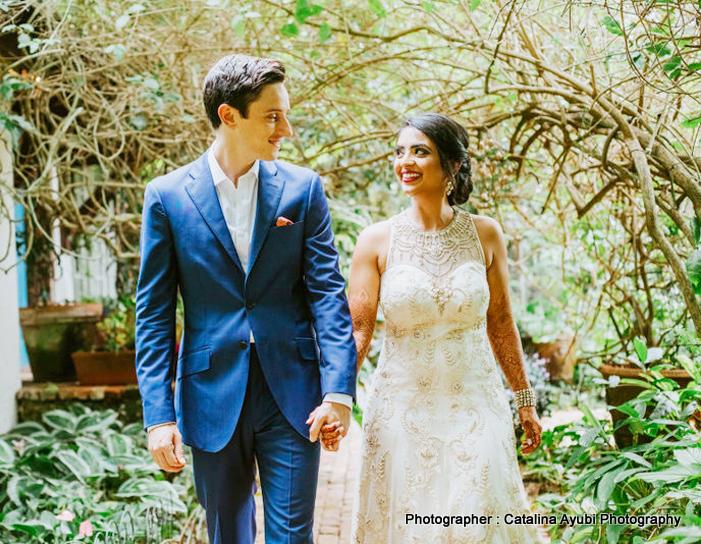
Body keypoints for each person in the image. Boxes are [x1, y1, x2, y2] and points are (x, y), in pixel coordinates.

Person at [135, 54, 357, 544]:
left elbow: (327, 295)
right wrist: (159, 418)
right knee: (227, 536)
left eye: (286, 114)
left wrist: (338, 392)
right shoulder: (166, 196)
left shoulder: (303, 190)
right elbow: (152, 315)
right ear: (229, 116)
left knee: (292, 535)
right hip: (210, 393)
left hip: (293, 394)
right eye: (273, 116)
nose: (287, 130)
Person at [348, 113, 543, 543]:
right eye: (400, 152)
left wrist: (524, 400)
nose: (406, 161)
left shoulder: (486, 234)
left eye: (420, 151)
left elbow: (501, 322)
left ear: (453, 165)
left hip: (477, 405)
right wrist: (337, 399)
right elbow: (358, 332)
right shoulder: (375, 240)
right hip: (401, 409)